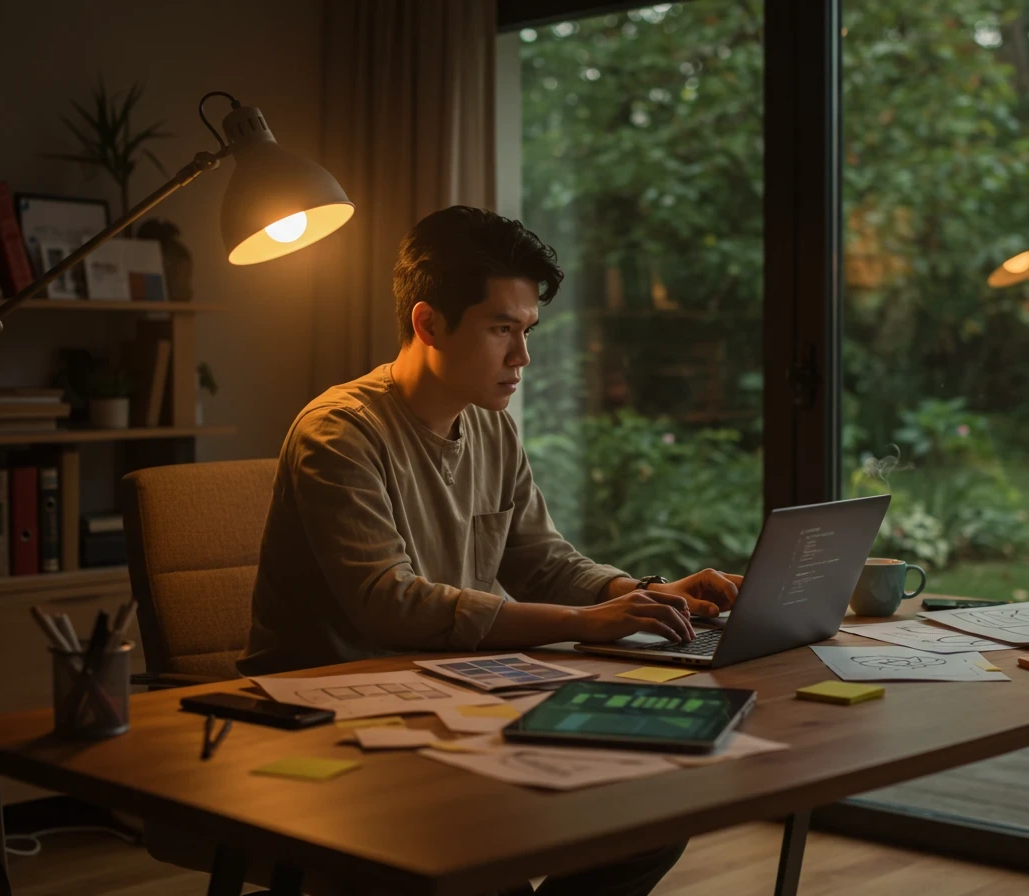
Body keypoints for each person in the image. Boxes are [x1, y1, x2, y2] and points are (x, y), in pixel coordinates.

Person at [237, 206, 744, 895]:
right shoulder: (339, 434)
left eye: (527, 331)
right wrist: (577, 625)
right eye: (502, 329)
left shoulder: (490, 427)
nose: (522, 358)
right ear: (427, 323)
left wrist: (636, 595)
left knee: (648, 818)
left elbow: (542, 559)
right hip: (333, 717)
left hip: (453, 701)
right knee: (487, 868)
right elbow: (390, 604)